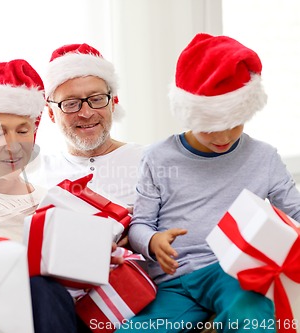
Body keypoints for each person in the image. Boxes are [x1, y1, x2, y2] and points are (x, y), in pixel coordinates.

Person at [117, 33, 300, 333]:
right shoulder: (157, 158)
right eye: (209, 128)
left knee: (250, 319)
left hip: (233, 274)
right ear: (188, 114)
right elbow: (140, 225)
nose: (223, 137)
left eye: (234, 125)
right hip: (174, 281)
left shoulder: (264, 157)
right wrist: (153, 241)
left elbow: (295, 212)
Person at [0, 58, 77, 333]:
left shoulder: (51, 203)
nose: (13, 146)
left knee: (42, 287)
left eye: (23, 131)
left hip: (45, 315)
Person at [30, 43, 144, 210]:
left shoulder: (149, 161)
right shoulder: (35, 177)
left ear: (112, 103)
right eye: (71, 103)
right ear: (51, 113)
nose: (86, 113)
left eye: (97, 99)